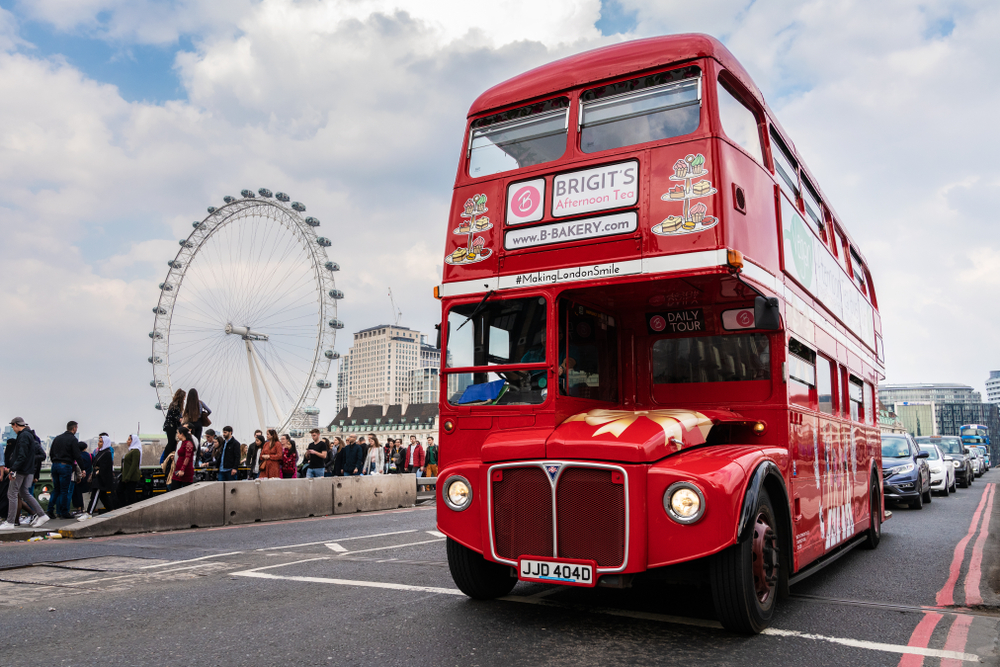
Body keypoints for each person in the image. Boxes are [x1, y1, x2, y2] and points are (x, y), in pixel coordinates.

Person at [0, 418, 49, 530]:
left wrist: (13, 469)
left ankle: (10, 522)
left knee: (11, 494)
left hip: (21, 470)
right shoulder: (30, 436)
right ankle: (42, 515)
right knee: (25, 493)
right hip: (28, 470)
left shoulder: (23, 436)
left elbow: (21, 455)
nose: (13, 430)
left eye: (13, 427)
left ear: (16, 425)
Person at [48, 420, 86, 520]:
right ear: (74, 428)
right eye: (76, 428)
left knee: (56, 489)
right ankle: (63, 512)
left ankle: (50, 510)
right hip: (65, 466)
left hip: (55, 465)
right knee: (64, 490)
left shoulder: (57, 438)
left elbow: (51, 453)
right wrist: (83, 469)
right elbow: (77, 455)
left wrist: (55, 461)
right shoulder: (73, 440)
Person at [84, 434, 118, 517]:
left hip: (100, 478)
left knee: (95, 496)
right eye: (99, 441)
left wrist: (98, 472)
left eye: (101, 442)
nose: (99, 443)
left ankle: (89, 513)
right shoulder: (101, 452)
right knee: (103, 497)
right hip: (98, 477)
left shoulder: (107, 453)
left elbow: (105, 467)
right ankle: (112, 511)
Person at [161, 389, 186, 462]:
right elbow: (172, 416)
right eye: (184, 396)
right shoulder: (175, 405)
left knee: (173, 442)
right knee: (171, 442)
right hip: (171, 426)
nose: (185, 398)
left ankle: (170, 458)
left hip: (171, 426)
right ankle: (166, 458)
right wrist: (179, 419)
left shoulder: (174, 404)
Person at [168, 426, 196, 491]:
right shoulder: (183, 443)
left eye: (178, 433)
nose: (177, 435)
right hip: (178, 469)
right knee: (174, 488)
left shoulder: (188, 443)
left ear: (182, 434)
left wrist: (182, 470)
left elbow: (187, 458)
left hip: (185, 471)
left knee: (186, 489)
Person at [119, 434, 142, 506]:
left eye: (129, 439)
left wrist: (128, 476)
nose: (127, 441)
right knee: (120, 491)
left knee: (130, 494)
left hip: (131, 477)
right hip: (126, 476)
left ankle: (132, 508)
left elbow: (134, 465)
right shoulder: (131, 451)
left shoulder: (136, 451)